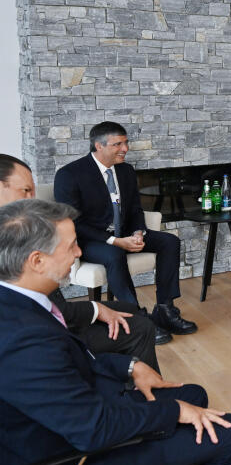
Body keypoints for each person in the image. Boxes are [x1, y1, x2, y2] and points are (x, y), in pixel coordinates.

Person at [0, 199, 231, 465]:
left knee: (194, 395)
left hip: (80, 411)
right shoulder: (23, 339)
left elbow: (67, 365)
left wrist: (130, 366)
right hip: (72, 453)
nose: (79, 252)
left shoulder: (19, 301)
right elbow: (94, 429)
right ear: (37, 261)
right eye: (71, 246)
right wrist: (175, 411)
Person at [0, 153, 162, 366]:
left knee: (129, 309)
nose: (32, 199)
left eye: (33, 191)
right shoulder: (13, 237)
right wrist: (96, 309)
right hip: (43, 334)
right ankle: (132, 379)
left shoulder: (16, 228)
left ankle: (128, 371)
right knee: (140, 327)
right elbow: (47, 310)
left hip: (51, 314)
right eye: (26, 190)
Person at [54, 122, 197, 339]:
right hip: (89, 240)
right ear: (98, 146)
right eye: (118, 144)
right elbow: (73, 222)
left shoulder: (126, 170)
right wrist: (115, 241)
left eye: (126, 143)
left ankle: (165, 310)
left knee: (169, 241)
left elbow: (135, 209)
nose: (125, 149)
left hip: (125, 233)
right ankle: (136, 318)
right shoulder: (70, 174)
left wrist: (138, 232)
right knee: (114, 253)